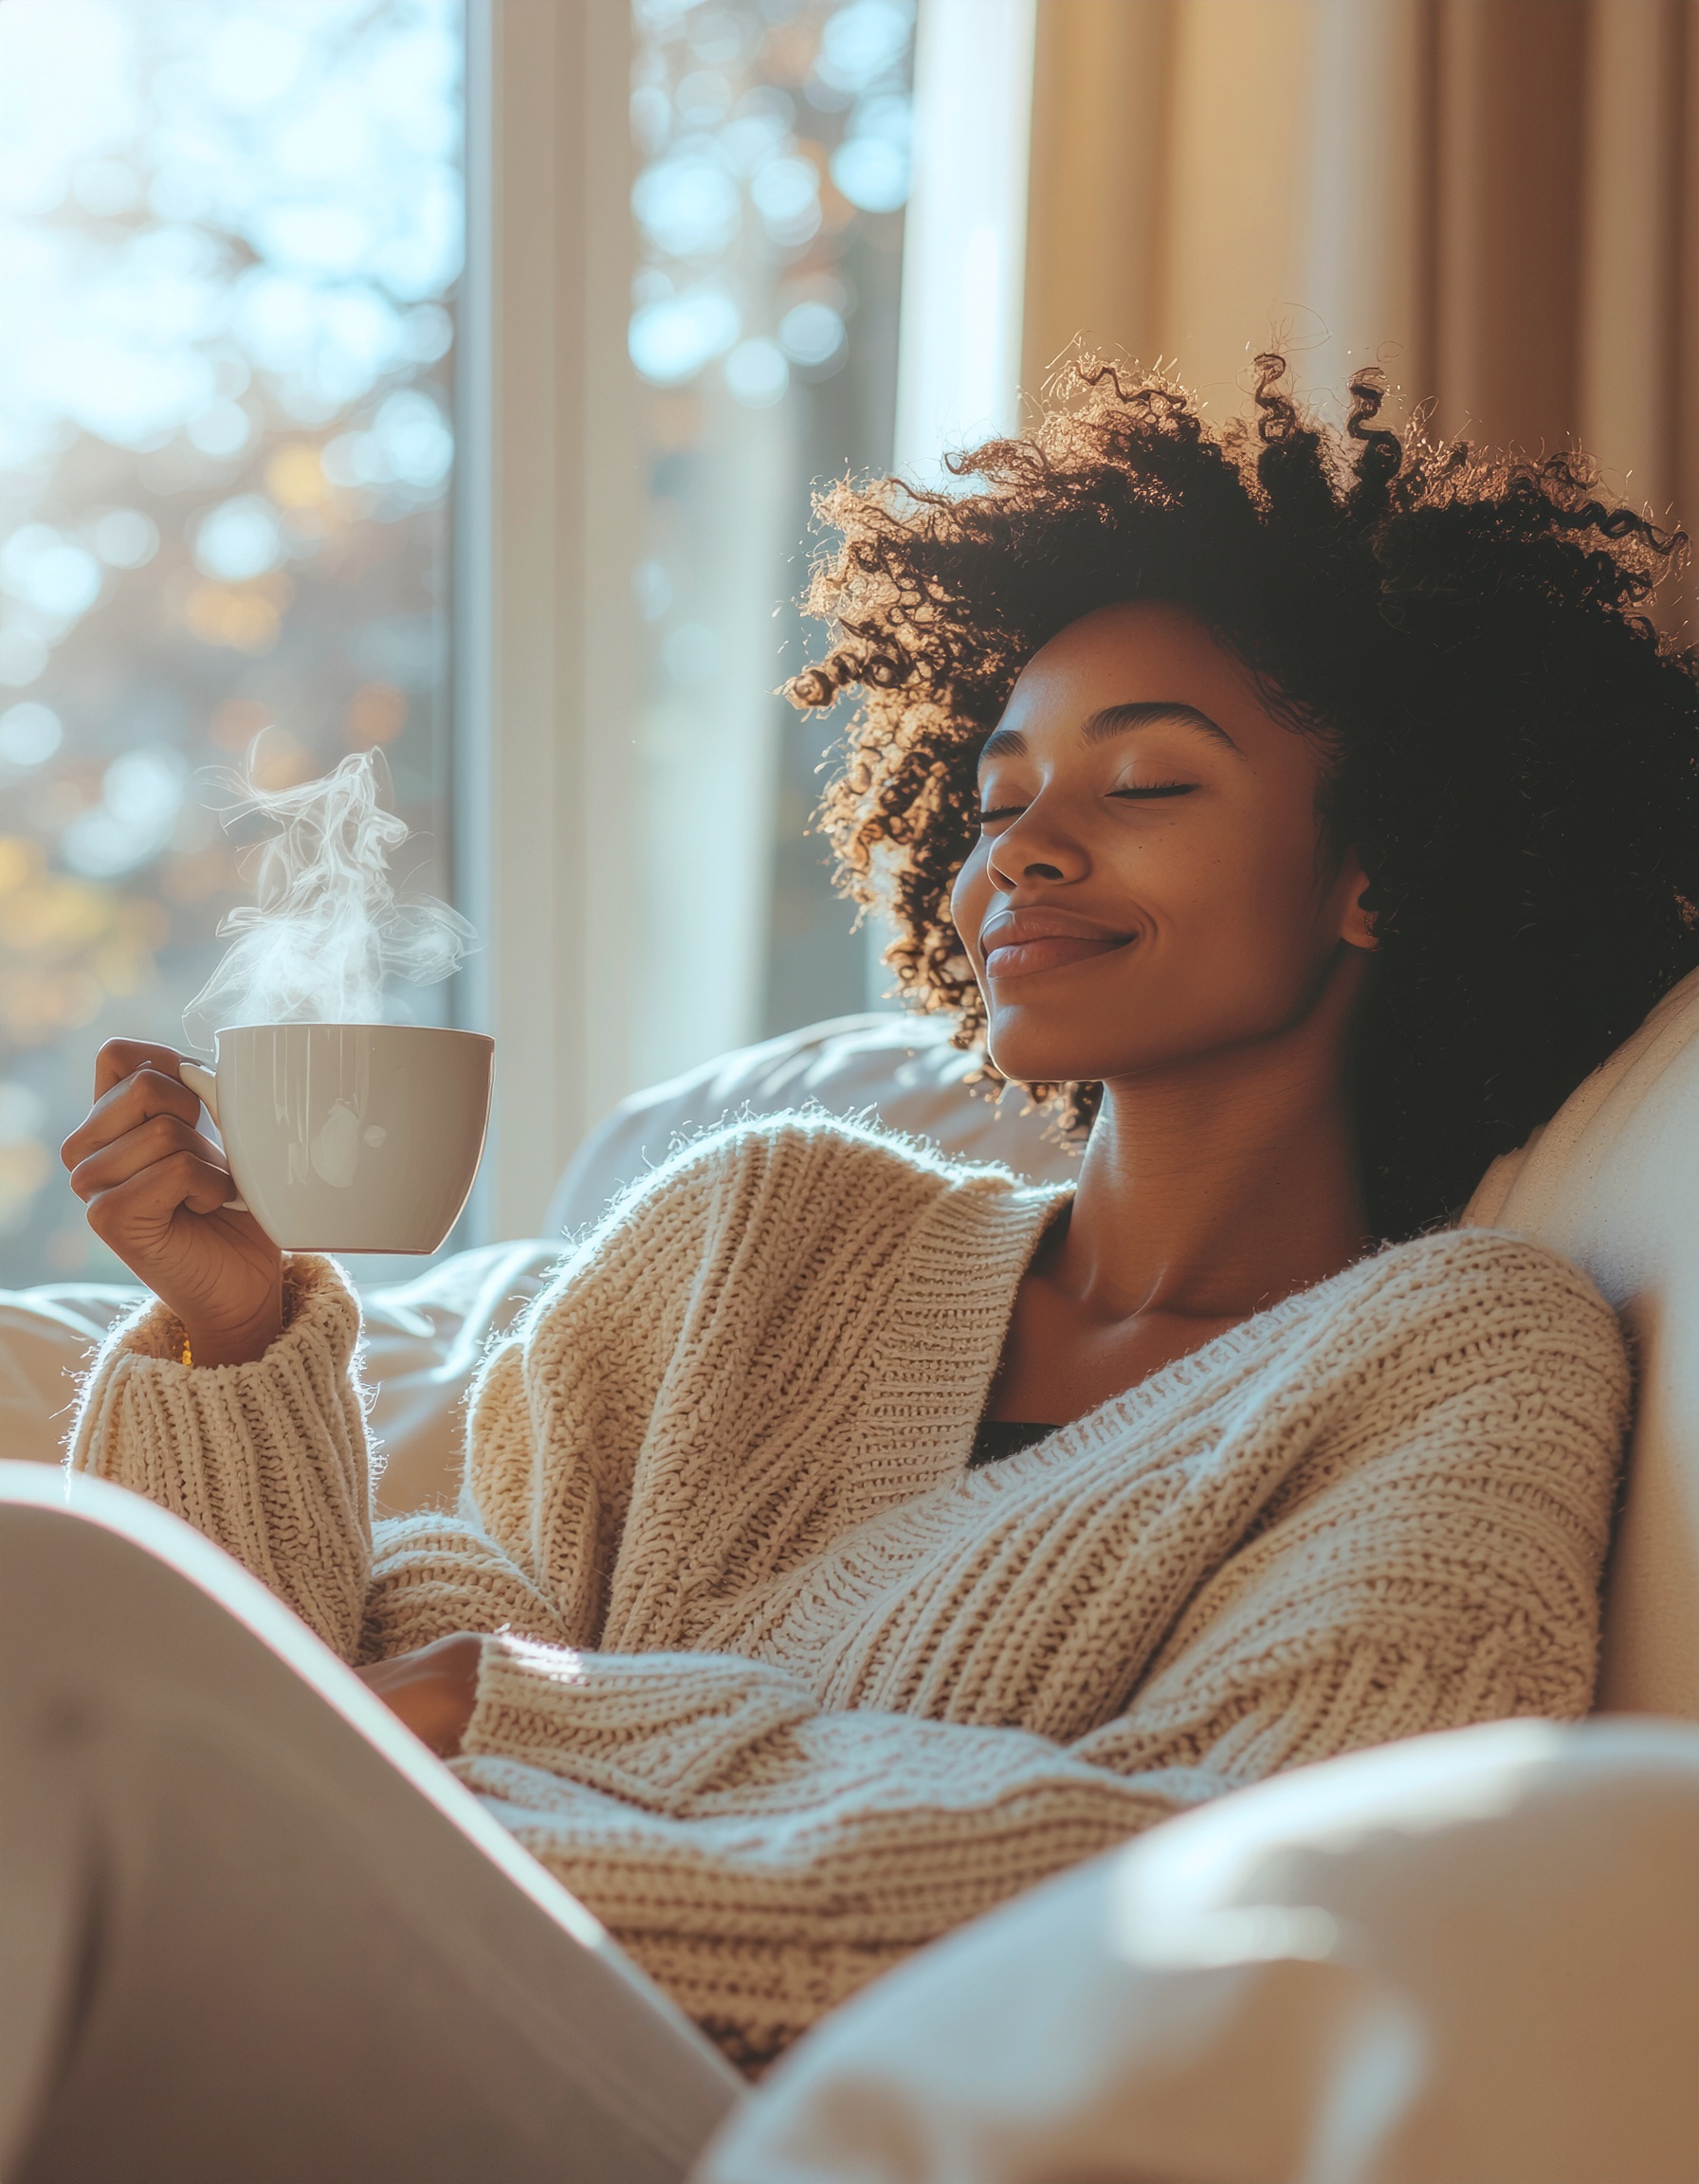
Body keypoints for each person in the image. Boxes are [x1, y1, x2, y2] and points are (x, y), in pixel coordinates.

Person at [52, 357, 1696, 2084]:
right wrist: (239, 1339)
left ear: (1389, 864)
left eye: (1141, 786)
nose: (1022, 858)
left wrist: (530, 1713)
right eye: (994, 804)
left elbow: (1246, 1906)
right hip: (349, 1994)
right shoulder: (760, 1228)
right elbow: (407, 1645)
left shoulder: (1467, 1357)